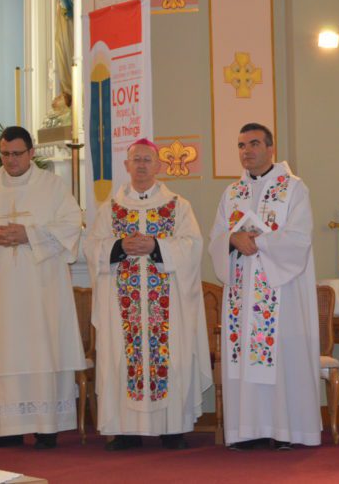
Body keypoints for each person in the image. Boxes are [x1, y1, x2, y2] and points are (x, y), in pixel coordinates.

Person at [0, 126, 85, 449]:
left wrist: (29, 234)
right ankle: (7, 430)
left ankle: (46, 428)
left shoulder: (52, 187)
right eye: (5, 154)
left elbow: (72, 224)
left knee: (43, 349)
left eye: (17, 154)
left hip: (43, 291)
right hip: (2, 293)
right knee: (5, 352)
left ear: (31, 153)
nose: (10, 160)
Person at [85, 138, 211, 451]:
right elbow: (92, 247)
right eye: (136, 160)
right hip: (122, 306)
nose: (141, 165)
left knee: (171, 357)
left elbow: (193, 246)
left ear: (158, 166)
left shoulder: (178, 206)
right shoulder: (110, 209)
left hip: (167, 305)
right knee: (121, 359)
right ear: (126, 166)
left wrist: (157, 247)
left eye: (147, 160)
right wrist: (119, 247)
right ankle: (125, 431)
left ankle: (173, 429)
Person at [208, 123, 321, 450]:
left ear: (271, 148)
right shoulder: (232, 193)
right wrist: (232, 239)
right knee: (244, 359)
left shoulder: (293, 188)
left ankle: (285, 431)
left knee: (281, 358)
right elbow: (216, 238)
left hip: (281, 291)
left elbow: (299, 236)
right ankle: (247, 431)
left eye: (254, 143)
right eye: (241, 145)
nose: (247, 151)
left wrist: (259, 242)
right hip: (242, 294)